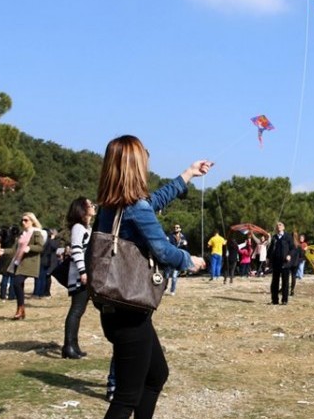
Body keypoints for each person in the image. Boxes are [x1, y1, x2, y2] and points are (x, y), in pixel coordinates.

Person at [92, 135, 209, 418]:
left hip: (115, 308)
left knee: (156, 376)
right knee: (126, 398)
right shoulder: (134, 208)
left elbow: (152, 201)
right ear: (135, 165)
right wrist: (189, 260)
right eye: (144, 156)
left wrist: (188, 174)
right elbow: (163, 250)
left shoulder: (111, 206)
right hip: (129, 312)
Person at [62, 197, 95, 359]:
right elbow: (76, 251)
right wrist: (83, 272)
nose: (93, 206)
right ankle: (69, 346)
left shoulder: (86, 228)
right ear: (82, 209)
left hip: (83, 274)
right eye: (90, 205)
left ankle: (73, 345)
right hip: (79, 275)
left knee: (78, 310)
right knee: (76, 310)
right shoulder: (78, 228)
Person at [7, 212, 44, 320]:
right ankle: (21, 309)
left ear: (32, 221)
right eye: (22, 220)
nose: (23, 222)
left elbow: (40, 247)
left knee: (17, 282)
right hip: (18, 262)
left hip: (28, 262)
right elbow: (14, 250)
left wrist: (30, 248)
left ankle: (20, 308)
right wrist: (1, 251)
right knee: (18, 285)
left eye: (26, 220)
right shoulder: (22, 234)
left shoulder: (36, 233)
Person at [268, 221, 295, 305]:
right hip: (276, 262)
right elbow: (270, 249)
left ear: (283, 227)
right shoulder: (274, 237)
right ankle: (274, 300)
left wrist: (289, 255)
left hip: (285, 263)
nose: (278, 226)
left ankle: (284, 300)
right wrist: (268, 258)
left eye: (280, 225)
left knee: (285, 282)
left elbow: (293, 248)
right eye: (277, 225)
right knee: (275, 282)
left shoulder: (288, 237)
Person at [166, 224, 188, 295]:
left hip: (178, 258)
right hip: (170, 257)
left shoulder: (183, 237)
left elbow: (186, 249)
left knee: (174, 276)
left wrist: (185, 244)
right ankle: (164, 288)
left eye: (177, 227)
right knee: (166, 275)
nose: (176, 228)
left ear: (180, 229)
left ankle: (172, 290)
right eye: (175, 227)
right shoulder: (170, 236)